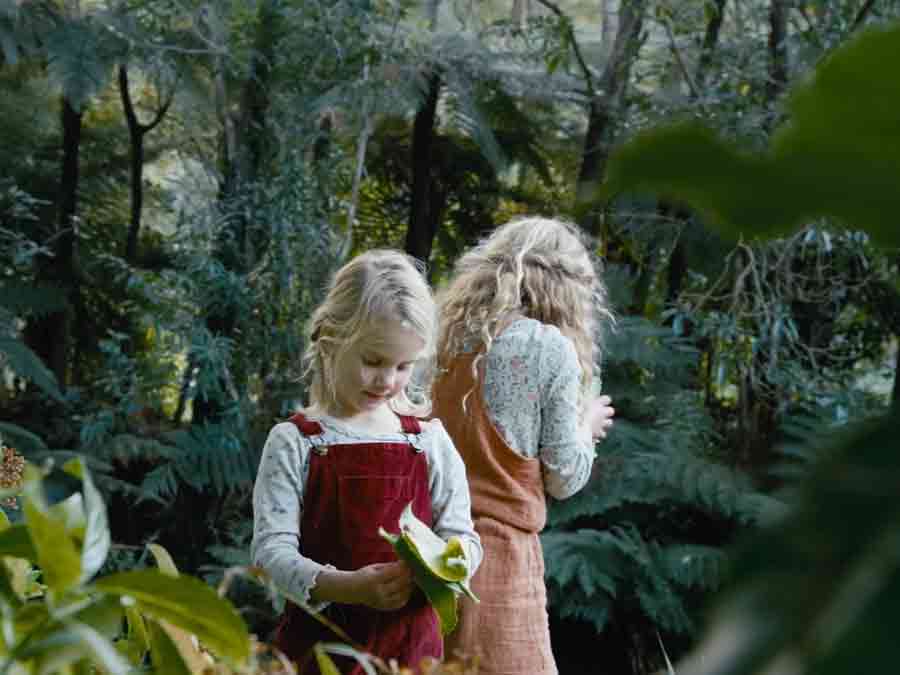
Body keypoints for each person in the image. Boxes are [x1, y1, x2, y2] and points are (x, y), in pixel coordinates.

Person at [251, 249, 483, 674]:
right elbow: (270, 554)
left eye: (404, 365)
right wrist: (349, 587)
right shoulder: (296, 443)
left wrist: (450, 562)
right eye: (373, 361)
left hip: (412, 656)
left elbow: (466, 539)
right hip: (316, 656)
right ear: (329, 342)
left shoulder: (428, 442)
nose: (388, 380)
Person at [430, 217, 615, 675]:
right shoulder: (547, 349)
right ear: (568, 287)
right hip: (500, 563)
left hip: (431, 551)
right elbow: (564, 475)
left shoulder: (449, 336)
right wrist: (585, 426)